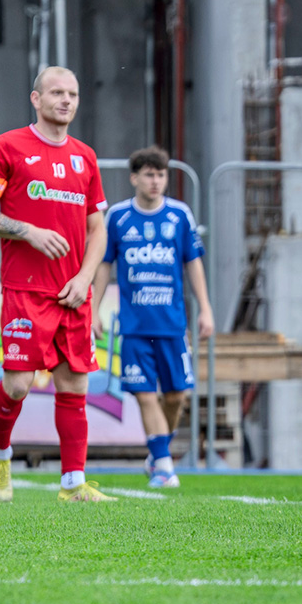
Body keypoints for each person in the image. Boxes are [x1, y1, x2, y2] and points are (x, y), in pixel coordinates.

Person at [0, 66, 116, 502]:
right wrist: (28, 231)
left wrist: (85, 278)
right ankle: (0, 455)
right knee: (18, 386)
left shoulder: (85, 157)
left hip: (73, 292)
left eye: (73, 94)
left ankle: (73, 484)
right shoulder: (7, 147)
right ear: (36, 99)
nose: (66, 100)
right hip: (25, 291)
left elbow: (97, 229)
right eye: (56, 92)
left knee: (75, 385)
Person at [91, 146, 213, 488]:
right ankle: (163, 466)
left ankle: (157, 452)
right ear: (134, 178)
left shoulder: (179, 215)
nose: (155, 181)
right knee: (145, 395)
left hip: (172, 326)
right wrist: (94, 311)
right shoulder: (118, 217)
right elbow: (104, 265)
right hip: (134, 327)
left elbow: (193, 263)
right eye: (149, 174)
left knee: (176, 396)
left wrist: (205, 308)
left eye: (161, 175)